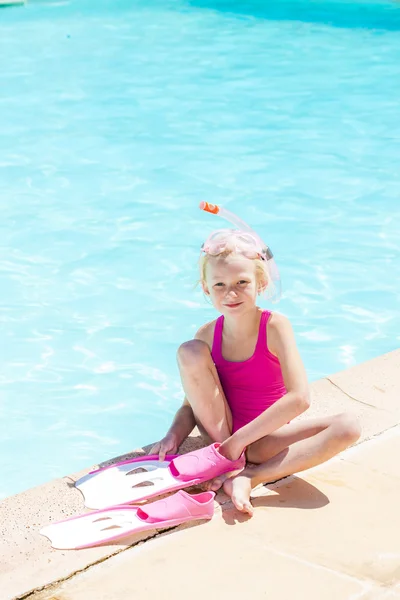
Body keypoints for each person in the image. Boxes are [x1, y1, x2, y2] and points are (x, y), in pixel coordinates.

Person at [150, 208, 361, 516]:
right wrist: (174, 435)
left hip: (261, 441)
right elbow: (189, 406)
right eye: (219, 285)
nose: (230, 293)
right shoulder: (207, 334)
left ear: (260, 284)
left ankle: (248, 476)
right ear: (206, 288)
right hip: (221, 442)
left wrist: (240, 443)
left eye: (241, 283)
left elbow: (300, 399)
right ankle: (230, 464)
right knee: (189, 350)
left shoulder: (275, 326)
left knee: (349, 425)